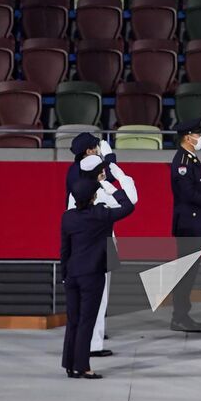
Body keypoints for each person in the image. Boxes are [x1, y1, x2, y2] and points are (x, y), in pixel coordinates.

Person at [60, 176, 135, 379]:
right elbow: (128, 207)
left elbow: (64, 249)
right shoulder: (100, 214)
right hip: (92, 275)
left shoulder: (68, 217)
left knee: (73, 320)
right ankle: (83, 366)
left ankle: (70, 364)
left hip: (72, 274)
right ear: (94, 196)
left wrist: (64, 275)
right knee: (87, 321)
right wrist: (113, 190)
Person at [67, 147, 138, 358]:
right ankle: (93, 344)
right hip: (101, 251)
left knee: (85, 303)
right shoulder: (103, 189)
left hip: (80, 252)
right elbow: (131, 200)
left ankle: (86, 343)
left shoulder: (76, 192)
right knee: (99, 300)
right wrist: (117, 170)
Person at [169, 118, 201, 332]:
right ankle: (179, 316)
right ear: (188, 136)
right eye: (198, 134)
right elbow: (186, 192)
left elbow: (195, 185)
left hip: (194, 223)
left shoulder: (191, 159)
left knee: (189, 271)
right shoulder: (182, 161)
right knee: (185, 272)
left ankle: (182, 314)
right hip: (189, 224)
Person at [66, 131, 103, 205]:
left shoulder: (75, 168)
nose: (98, 148)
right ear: (89, 151)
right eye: (96, 146)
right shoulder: (80, 172)